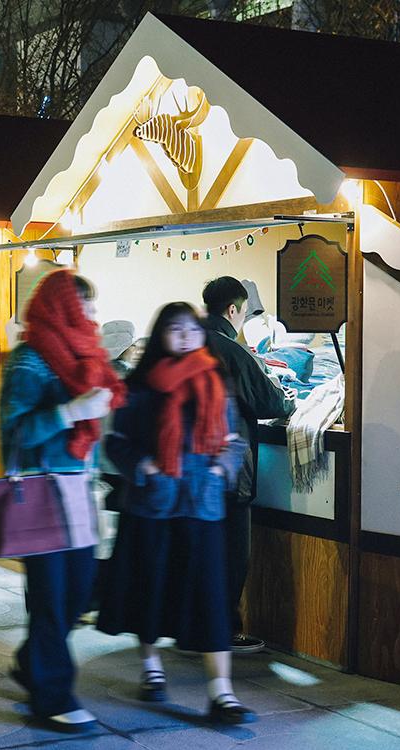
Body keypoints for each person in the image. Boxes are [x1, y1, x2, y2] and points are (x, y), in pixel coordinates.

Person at [98, 301, 254, 724]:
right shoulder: (142, 387)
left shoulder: (215, 383)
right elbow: (116, 443)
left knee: (210, 598)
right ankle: (152, 667)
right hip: (153, 506)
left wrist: (224, 464)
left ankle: (221, 692)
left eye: (192, 329)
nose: (185, 336)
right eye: (175, 329)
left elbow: (235, 439)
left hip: (201, 505)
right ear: (161, 334)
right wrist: (142, 466)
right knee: (150, 590)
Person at [0, 265, 124, 733]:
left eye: (92, 303)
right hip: (39, 488)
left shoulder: (85, 356)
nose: (91, 313)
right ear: (60, 307)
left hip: (79, 492)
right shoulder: (30, 361)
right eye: (82, 304)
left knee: (79, 591)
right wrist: (71, 410)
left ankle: (34, 662)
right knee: (53, 598)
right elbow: (16, 432)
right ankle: (52, 697)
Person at [201, 277, 296, 654]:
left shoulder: (181, 343)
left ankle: (193, 629)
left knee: (199, 551)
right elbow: (272, 402)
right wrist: (287, 398)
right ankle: (224, 632)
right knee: (231, 555)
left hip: (188, 471)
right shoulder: (230, 351)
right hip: (227, 471)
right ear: (233, 310)